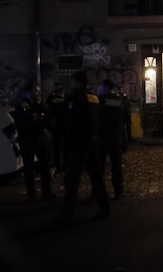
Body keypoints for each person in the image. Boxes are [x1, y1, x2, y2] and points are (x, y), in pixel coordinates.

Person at [60, 72, 110, 226]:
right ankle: (105, 209)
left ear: (76, 82)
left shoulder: (74, 98)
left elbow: (68, 121)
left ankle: (66, 217)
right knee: (96, 178)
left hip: (78, 144)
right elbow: (99, 118)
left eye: (72, 82)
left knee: (72, 181)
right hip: (92, 143)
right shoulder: (94, 97)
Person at [14, 80, 55, 201]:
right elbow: (22, 123)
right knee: (29, 169)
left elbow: (48, 117)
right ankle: (31, 194)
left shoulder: (40, 104)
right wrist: (35, 121)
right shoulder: (22, 105)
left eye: (38, 91)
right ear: (28, 91)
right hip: (27, 139)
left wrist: (48, 122)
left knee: (45, 166)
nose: (38, 93)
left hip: (41, 139)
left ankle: (47, 193)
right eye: (35, 90)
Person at [98, 79, 125, 201]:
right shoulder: (119, 100)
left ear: (105, 87)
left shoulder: (100, 100)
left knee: (99, 167)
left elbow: (98, 119)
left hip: (103, 137)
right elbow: (124, 119)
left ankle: (97, 192)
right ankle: (118, 191)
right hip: (116, 136)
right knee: (116, 166)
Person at [45, 83, 68, 174]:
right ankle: (64, 166)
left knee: (57, 147)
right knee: (64, 147)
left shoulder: (51, 98)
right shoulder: (67, 98)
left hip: (56, 127)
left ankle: (58, 166)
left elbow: (47, 110)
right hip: (64, 126)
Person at [117, 85, 133, 153]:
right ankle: (124, 145)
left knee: (127, 128)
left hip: (126, 115)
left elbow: (128, 105)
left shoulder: (124, 97)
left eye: (123, 89)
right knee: (123, 131)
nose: (122, 91)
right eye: (121, 89)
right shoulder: (119, 97)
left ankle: (129, 138)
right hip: (123, 116)